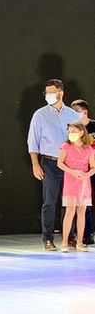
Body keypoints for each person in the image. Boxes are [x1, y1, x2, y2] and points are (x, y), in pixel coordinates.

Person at [27, 79, 79, 251]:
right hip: (49, 162)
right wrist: (35, 164)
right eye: (46, 93)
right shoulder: (40, 115)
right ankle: (48, 238)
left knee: (69, 202)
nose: (48, 95)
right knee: (49, 202)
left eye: (52, 92)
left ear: (61, 93)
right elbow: (33, 141)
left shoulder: (73, 115)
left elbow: (80, 139)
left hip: (70, 163)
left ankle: (68, 237)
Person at [57, 122, 95, 252]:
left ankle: (80, 242)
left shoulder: (89, 149)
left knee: (81, 212)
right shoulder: (66, 146)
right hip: (71, 181)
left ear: (81, 132)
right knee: (70, 211)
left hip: (84, 183)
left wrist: (87, 174)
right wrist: (73, 172)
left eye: (73, 131)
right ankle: (64, 242)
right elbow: (60, 163)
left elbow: (93, 167)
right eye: (69, 132)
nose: (71, 134)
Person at [71, 99, 95, 245]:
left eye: (77, 111)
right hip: (81, 170)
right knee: (84, 203)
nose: (74, 114)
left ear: (85, 112)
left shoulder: (93, 125)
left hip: (93, 167)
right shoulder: (74, 130)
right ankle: (87, 233)